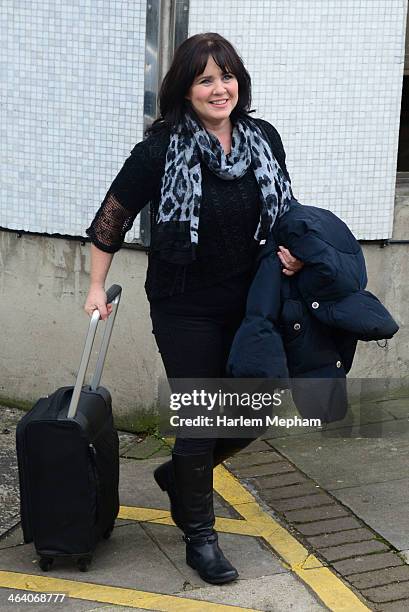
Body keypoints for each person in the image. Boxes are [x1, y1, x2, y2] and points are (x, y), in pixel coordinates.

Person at [84, 32, 303, 584]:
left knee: (263, 405)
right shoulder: (159, 149)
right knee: (201, 418)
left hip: (252, 301)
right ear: (185, 89)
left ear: (239, 83)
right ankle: (200, 536)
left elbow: (287, 211)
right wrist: (95, 288)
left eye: (226, 76)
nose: (219, 88)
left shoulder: (263, 139)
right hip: (185, 305)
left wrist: (295, 254)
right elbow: (112, 219)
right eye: (205, 78)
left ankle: (180, 475)